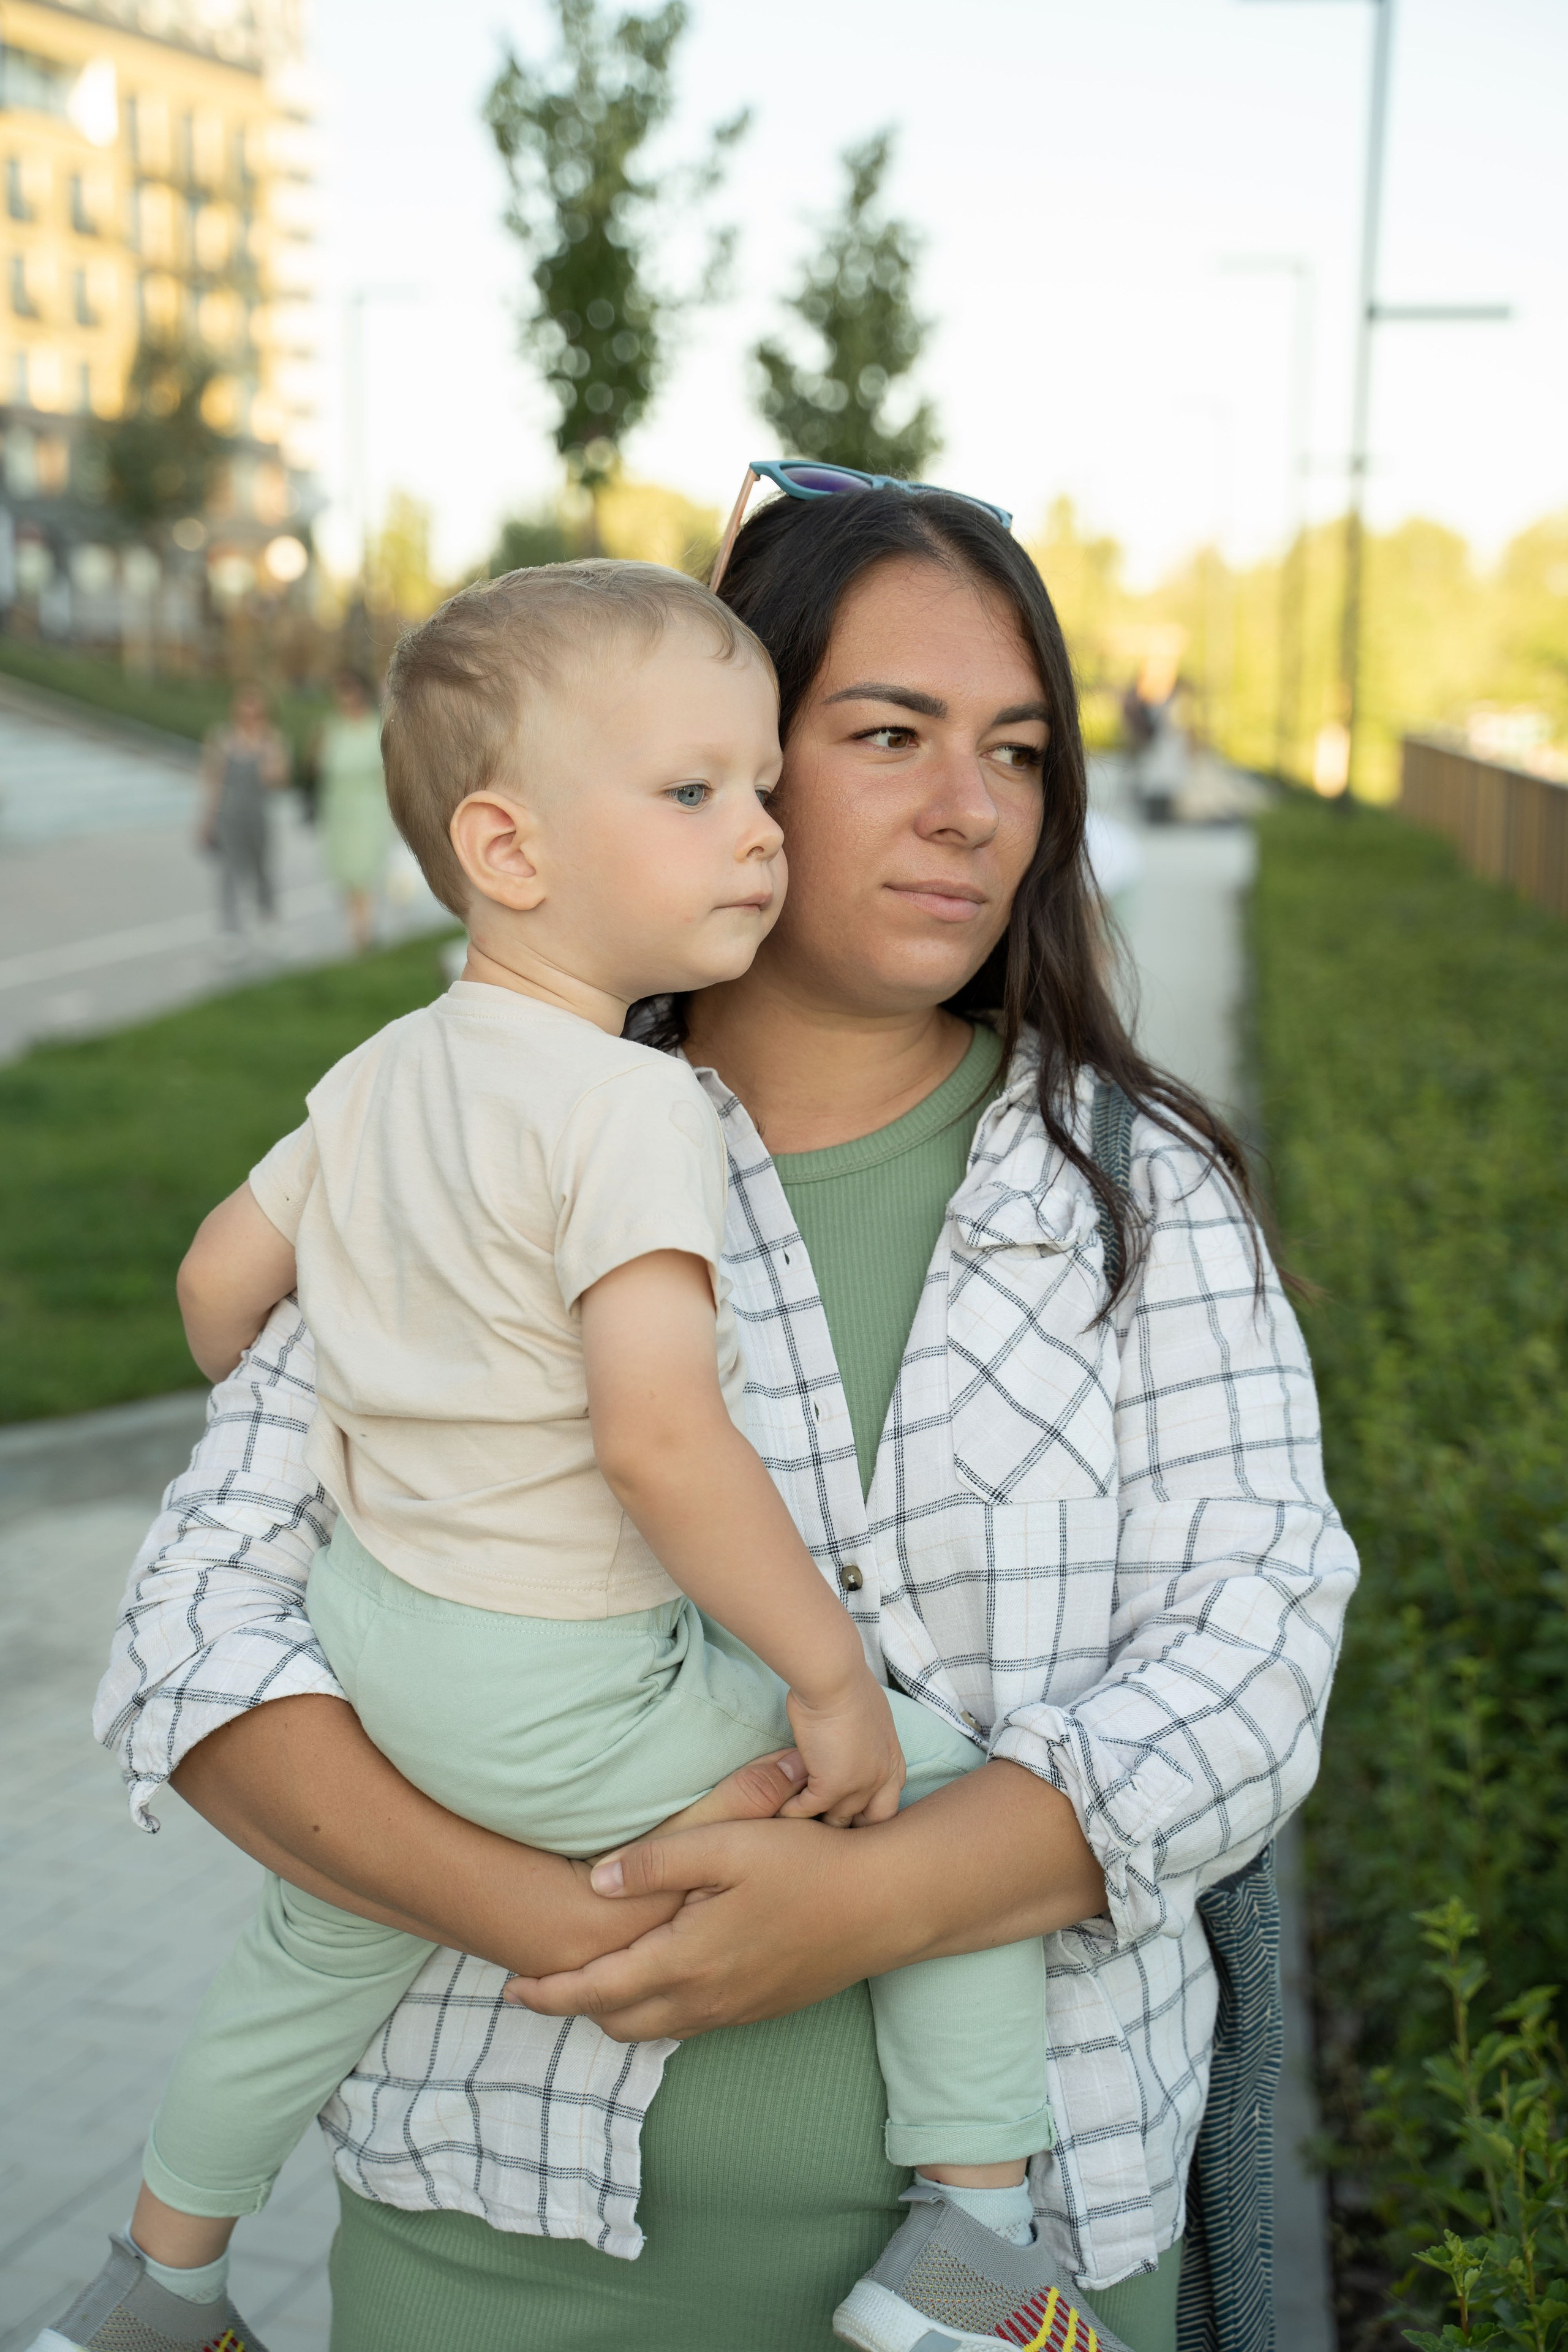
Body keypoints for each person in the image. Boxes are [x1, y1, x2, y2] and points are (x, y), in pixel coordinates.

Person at [83, 478, 1357, 2352]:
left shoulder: (1135, 1186)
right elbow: (194, 1637)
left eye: (1017, 751)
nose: (971, 807)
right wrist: (557, 1912)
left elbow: (1256, 1655)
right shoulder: (509, 1131)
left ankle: (159, 2275)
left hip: (1063, 2249)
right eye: (887, 736)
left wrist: (872, 1904)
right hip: (493, 2258)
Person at [198, 684, 290, 940]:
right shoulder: (223, 739)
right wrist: (208, 820)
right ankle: (230, 927)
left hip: (257, 814)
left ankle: (267, 915)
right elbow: (213, 781)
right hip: (229, 814)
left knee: (261, 867)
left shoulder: (272, 740)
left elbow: (280, 780)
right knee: (229, 871)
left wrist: (268, 758)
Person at [314, 668, 392, 954]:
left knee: (365, 870)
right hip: (339, 810)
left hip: (368, 810)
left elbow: (383, 774)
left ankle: (364, 929)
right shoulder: (330, 728)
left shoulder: (375, 727)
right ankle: (354, 926)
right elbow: (319, 769)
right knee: (346, 871)